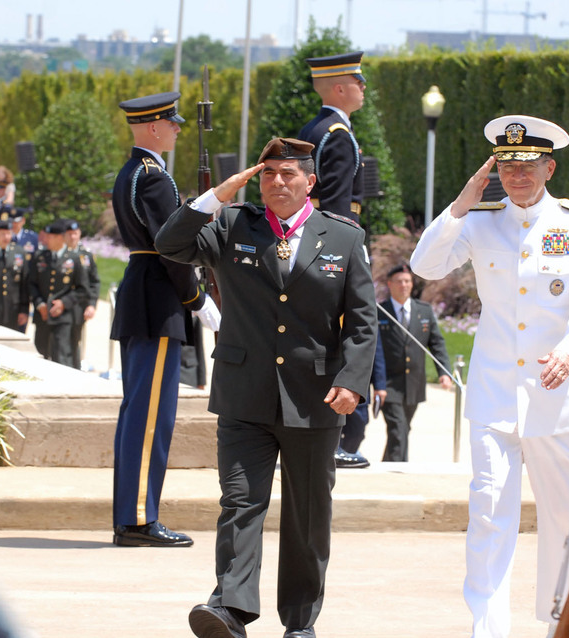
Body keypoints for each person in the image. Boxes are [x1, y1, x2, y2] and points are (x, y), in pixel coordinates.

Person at [154, 136, 377, 638]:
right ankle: (230, 608)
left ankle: (300, 622)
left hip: (314, 398)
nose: (278, 181)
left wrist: (352, 383)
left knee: (307, 516)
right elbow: (170, 244)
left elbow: (363, 323)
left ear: (310, 182)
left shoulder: (342, 238)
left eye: (289, 173)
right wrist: (216, 197)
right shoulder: (235, 226)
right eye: (269, 172)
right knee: (240, 501)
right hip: (244, 392)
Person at [410, 115, 569, 638]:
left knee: (566, 517)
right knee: (490, 515)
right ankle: (488, 627)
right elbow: (426, 265)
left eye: (526, 165)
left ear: (549, 166)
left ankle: (565, 620)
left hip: (557, 394)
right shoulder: (479, 220)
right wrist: (460, 204)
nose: (515, 175)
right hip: (495, 395)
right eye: (505, 164)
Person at [110, 91, 220, 548]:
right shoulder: (154, 178)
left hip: (143, 293)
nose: (177, 128)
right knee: (151, 415)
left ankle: (134, 515)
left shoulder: (134, 172)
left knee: (139, 411)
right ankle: (138, 519)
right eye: (171, 123)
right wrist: (196, 298)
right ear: (153, 127)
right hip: (157, 298)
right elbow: (169, 247)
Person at [378, 263, 452, 462]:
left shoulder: (424, 311)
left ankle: (387, 465)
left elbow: (436, 343)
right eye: (400, 281)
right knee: (398, 429)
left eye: (408, 281)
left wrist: (444, 372)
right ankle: (397, 473)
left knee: (402, 429)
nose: (404, 285)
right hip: (389, 384)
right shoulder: (379, 311)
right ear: (390, 284)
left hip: (414, 384)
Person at [297, 51, 366, 223]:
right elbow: (336, 203)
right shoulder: (338, 135)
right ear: (340, 89)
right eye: (358, 82)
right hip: (331, 234)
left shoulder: (312, 128)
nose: (363, 87)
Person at [26, 219, 88, 366]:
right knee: (40, 353)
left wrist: (63, 303)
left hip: (63, 317)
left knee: (61, 355)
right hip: (42, 315)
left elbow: (82, 288)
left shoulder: (75, 259)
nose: (46, 239)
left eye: (50, 236)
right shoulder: (39, 257)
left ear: (60, 238)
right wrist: (39, 303)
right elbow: (31, 284)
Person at [334, 330, 387, 468]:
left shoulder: (364, 313)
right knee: (332, 426)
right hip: (330, 379)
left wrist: (380, 385)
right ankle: (333, 453)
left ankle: (345, 453)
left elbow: (375, 351)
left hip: (357, 382)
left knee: (358, 427)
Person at [63, 219, 100, 370]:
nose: (72, 237)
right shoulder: (60, 253)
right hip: (62, 305)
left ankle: (74, 367)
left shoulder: (86, 256)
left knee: (74, 339)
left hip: (79, 306)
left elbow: (94, 282)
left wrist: (91, 305)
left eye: (75, 234)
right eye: (70, 234)